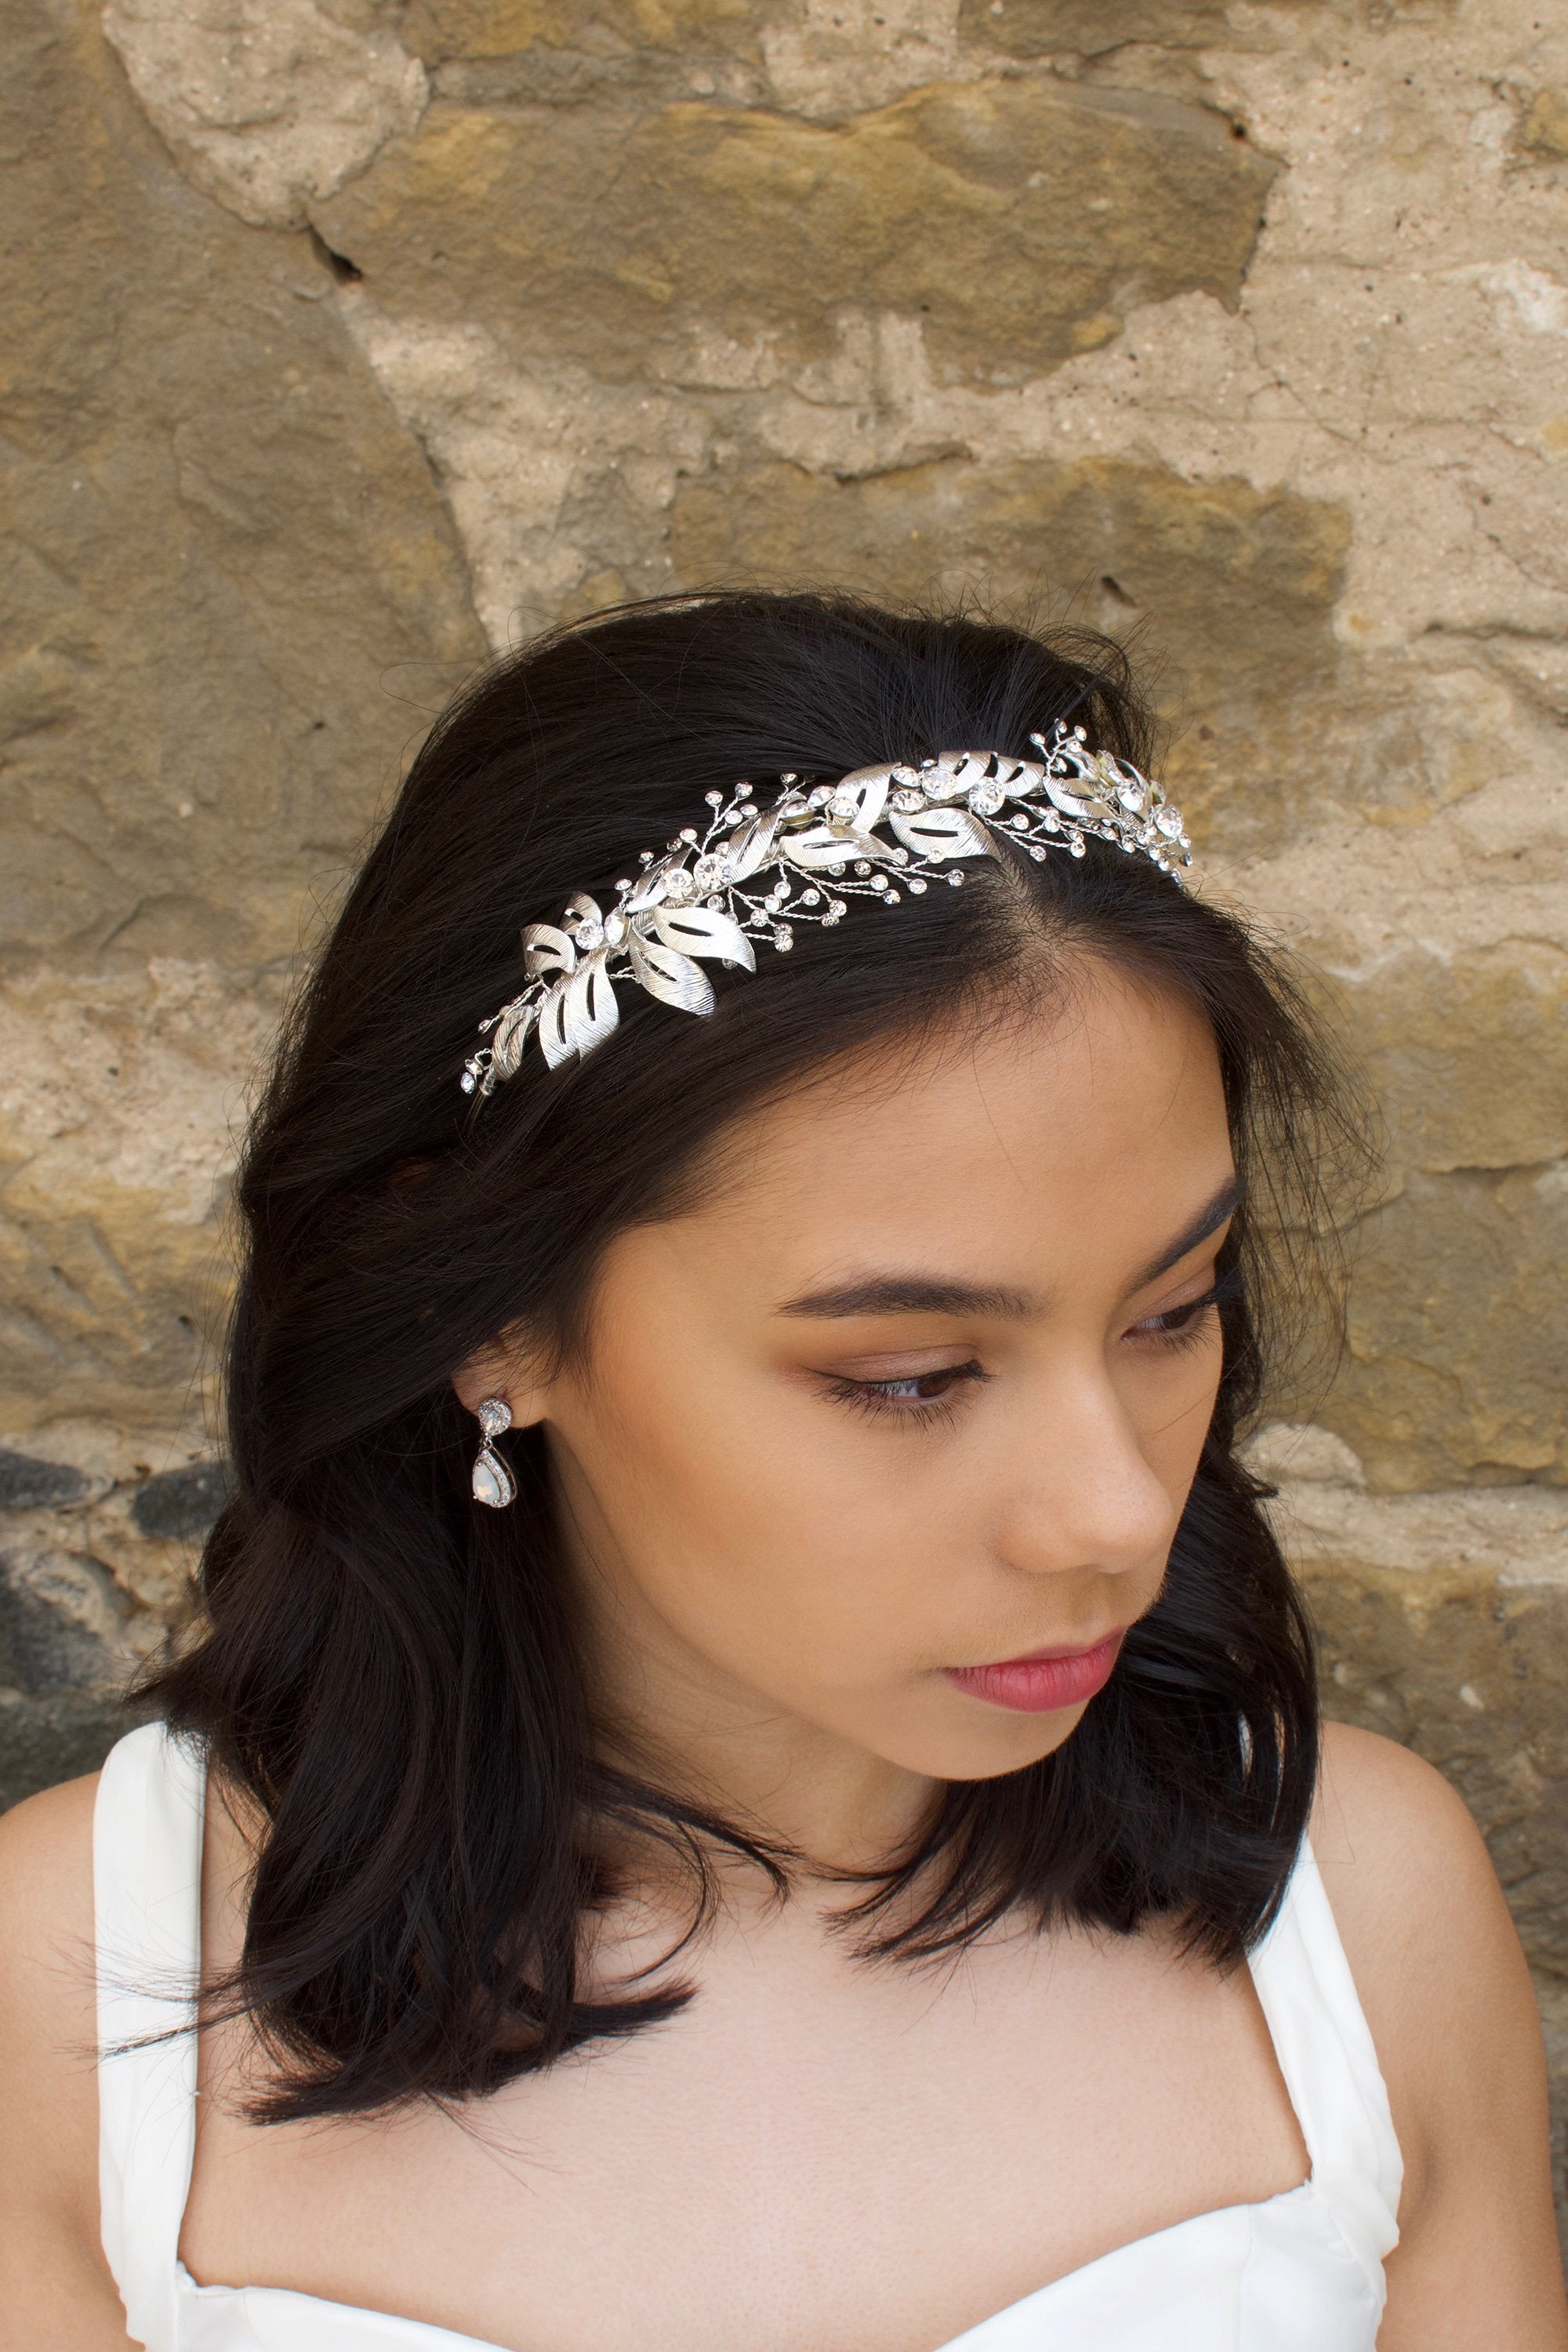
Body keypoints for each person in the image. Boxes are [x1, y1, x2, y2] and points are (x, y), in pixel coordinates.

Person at [0, 594, 1562, 2352]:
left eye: (1173, 1308)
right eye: (907, 1377)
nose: (1116, 1511)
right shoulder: (64, 1999)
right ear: (493, 1316)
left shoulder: (1363, 1915)